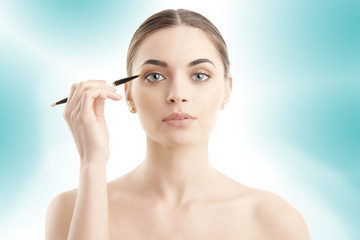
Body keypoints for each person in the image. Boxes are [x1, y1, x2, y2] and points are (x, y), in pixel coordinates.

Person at [45, 9, 311, 240]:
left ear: (227, 90)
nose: (177, 94)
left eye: (199, 75)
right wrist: (92, 162)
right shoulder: (71, 209)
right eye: (155, 76)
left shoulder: (275, 221)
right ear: (128, 95)